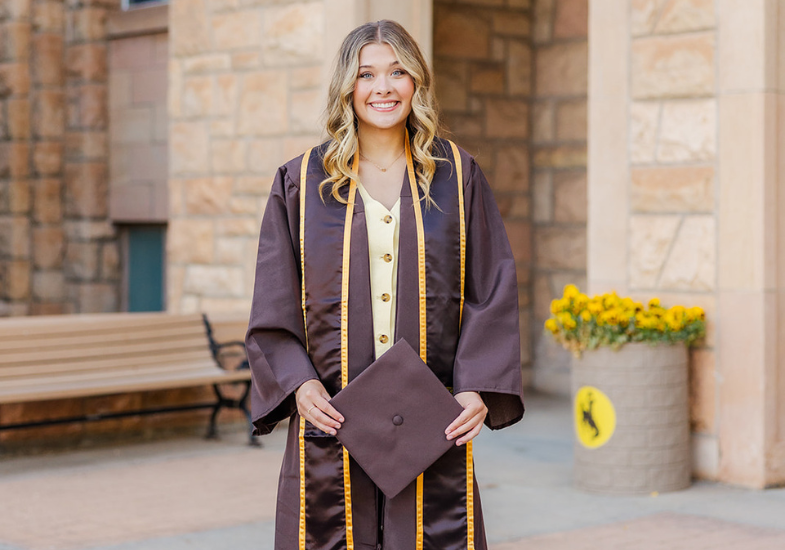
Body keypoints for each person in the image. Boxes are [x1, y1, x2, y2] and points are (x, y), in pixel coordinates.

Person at [246, 20, 525, 550]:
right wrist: (299, 384)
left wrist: (475, 386)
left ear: (416, 81)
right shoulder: (302, 181)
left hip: (427, 416)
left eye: (397, 71)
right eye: (367, 74)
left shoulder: (455, 174)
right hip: (332, 410)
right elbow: (274, 299)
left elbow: (492, 287)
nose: (383, 87)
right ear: (347, 86)